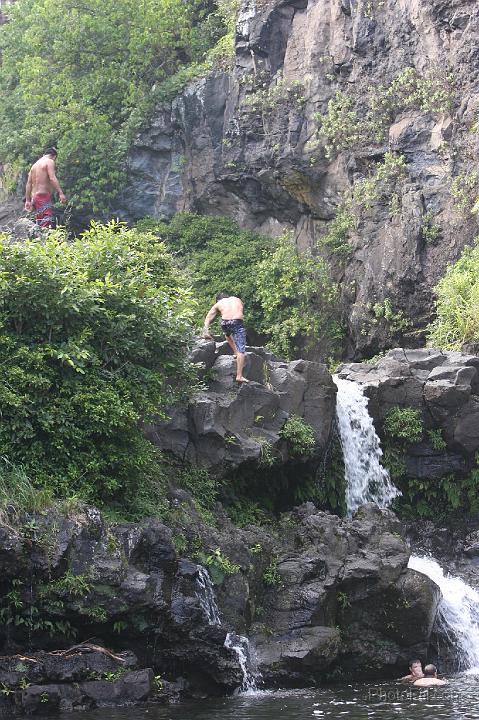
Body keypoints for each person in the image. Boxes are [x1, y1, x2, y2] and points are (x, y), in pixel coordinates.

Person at [203, 293, 249, 383]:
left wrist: (206, 330)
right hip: (237, 322)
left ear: (218, 300)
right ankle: (239, 376)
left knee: (227, 335)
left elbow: (208, 317)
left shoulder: (218, 304)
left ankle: (235, 352)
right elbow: (240, 309)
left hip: (225, 323)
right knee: (241, 350)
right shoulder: (237, 299)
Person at [24, 147, 67, 229]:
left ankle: (38, 239)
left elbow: (28, 184)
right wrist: (60, 193)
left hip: (35, 197)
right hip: (43, 196)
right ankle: (43, 240)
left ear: (44, 155)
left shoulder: (34, 165)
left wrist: (28, 200)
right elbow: (52, 178)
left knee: (40, 221)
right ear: (54, 156)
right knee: (46, 221)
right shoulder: (49, 162)